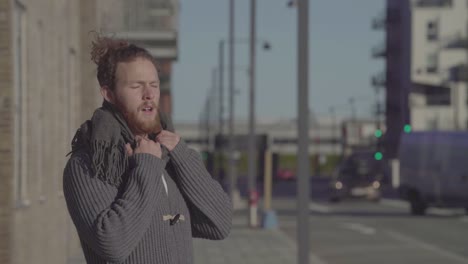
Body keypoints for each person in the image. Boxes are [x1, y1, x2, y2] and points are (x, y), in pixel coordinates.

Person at [63, 35, 232, 264]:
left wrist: (182, 155)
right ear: (109, 94)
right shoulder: (89, 163)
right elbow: (112, 243)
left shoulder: (168, 154)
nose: (149, 94)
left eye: (154, 85)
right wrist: (146, 166)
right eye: (136, 86)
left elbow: (220, 224)